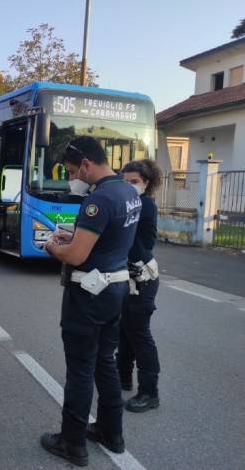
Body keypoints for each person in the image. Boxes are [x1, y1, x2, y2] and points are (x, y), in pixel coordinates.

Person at [40, 136, 142, 467]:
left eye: (72, 170)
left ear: (86, 164)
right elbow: (108, 240)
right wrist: (76, 235)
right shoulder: (129, 192)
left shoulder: (98, 201)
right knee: (105, 363)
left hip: (88, 295)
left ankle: (72, 443)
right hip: (115, 290)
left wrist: (54, 247)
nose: (73, 178)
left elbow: (77, 254)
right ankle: (112, 433)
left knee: (81, 369)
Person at [117, 159, 162, 413]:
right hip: (129, 276)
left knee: (140, 335)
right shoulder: (133, 203)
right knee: (125, 330)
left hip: (142, 279)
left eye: (134, 182)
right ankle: (122, 377)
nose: (129, 187)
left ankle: (150, 392)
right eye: (124, 182)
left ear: (146, 183)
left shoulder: (143, 205)